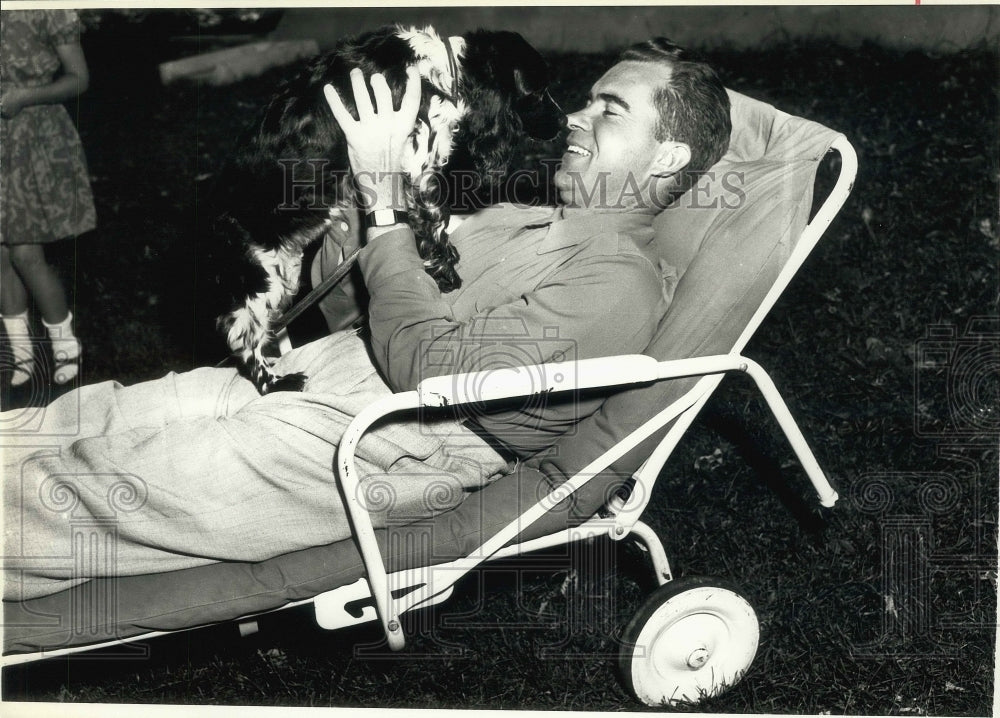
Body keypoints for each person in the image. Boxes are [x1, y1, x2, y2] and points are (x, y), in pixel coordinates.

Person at [2, 38, 731, 602]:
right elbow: (353, 304)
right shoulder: (526, 214)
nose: (575, 115)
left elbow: (433, 376)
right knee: (94, 416)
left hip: (400, 440)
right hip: (336, 372)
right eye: (589, 100)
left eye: (611, 109)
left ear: (667, 156)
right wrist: (360, 204)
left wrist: (387, 210)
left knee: (99, 486)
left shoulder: (619, 285)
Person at [0, 10, 96, 389]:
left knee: (25, 252)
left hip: (34, 138)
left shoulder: (46, 9)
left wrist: (25, 96)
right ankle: (21, 354)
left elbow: (79, 79)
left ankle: (65, 346)